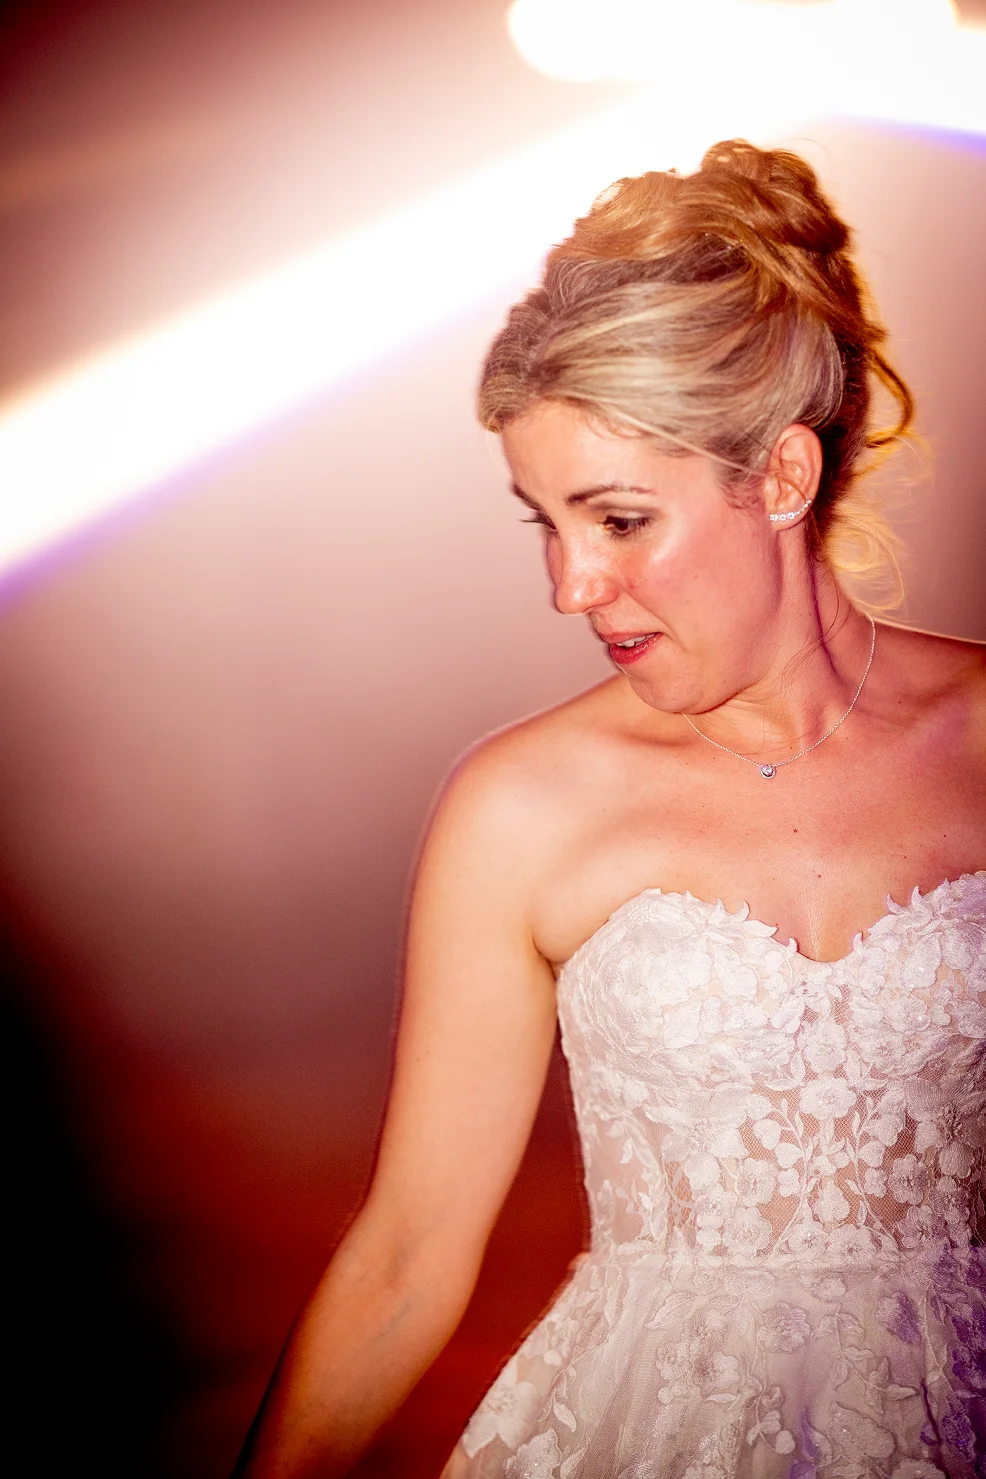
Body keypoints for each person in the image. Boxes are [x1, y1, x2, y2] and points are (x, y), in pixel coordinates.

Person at [237, 140, 986, 1479]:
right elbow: (407, 1257)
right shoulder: (518, 807)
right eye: (545, 523)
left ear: (781, 479)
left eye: (620, 520)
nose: (570, 586)